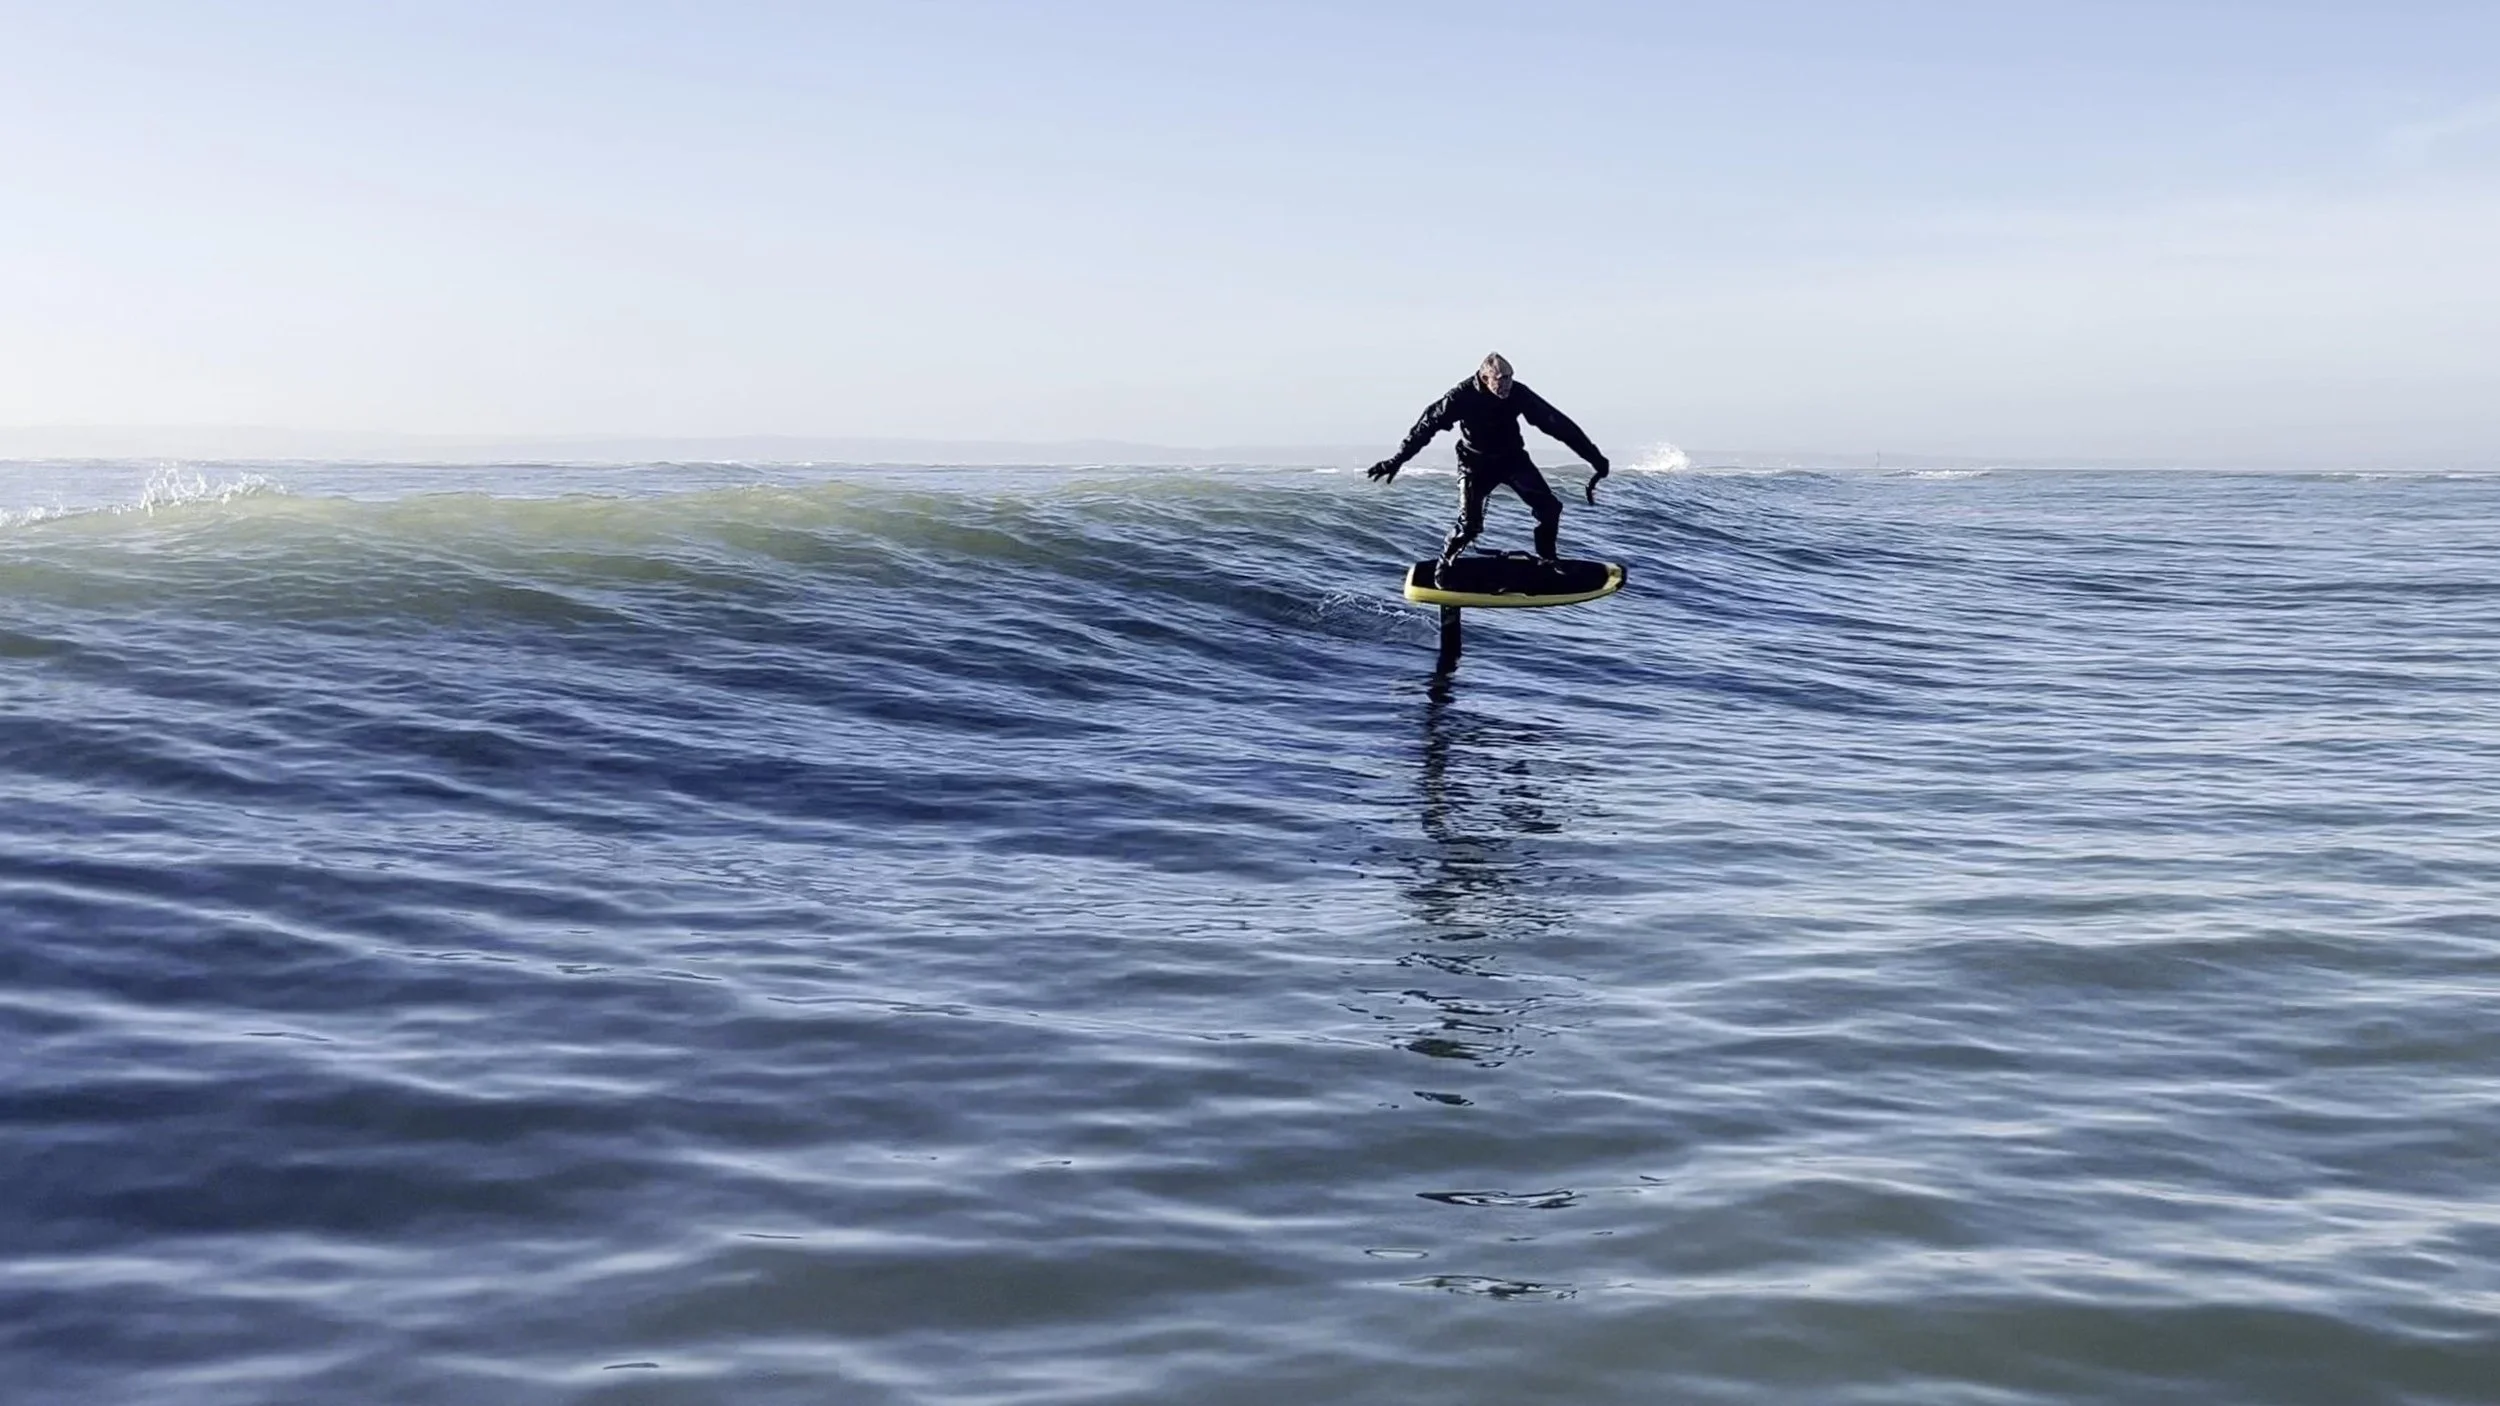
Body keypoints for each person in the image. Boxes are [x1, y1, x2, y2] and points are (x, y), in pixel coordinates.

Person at [1366, 353, 1610, 565]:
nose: (1507, 385)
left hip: (1512, 460)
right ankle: (1446, 565)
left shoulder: (1518, 393)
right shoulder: (1460, 397)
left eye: (1510, 378)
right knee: (1470, 525)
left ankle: (1547, 559)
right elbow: (1425, 426)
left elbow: (1557, 424)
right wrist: (1397, 460)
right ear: (1485, 378)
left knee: (1550, 509)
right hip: (1475, 464)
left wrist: (1594, 457)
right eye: (1501, 380)